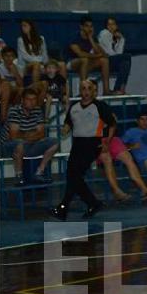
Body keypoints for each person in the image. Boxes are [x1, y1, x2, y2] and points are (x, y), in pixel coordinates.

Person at [49, 80, 113, 220]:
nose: (86, 91)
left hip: (92, 144)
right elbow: (68, 124)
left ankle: (63, 207)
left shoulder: (100, 106)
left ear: (94, 91)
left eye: (89, 88)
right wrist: (65, 130)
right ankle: (93, 203)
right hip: (77, 144)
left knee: (75, 175)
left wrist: (106, 141)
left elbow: (112, 123)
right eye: (83, 88)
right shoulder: (74, 106)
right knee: (72, 176)